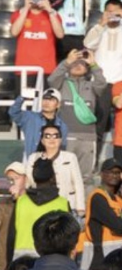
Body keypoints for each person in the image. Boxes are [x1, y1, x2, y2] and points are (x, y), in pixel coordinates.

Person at [49, 49, 106, 180]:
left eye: (82, 63)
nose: (78, 65)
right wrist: (66, 62)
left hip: (88, 138)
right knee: (62, 176)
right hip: (66, 138)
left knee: (85, 178)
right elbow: (52, 80)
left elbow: (102, 84)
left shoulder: (91, 86)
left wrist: (94, 64)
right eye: (74, 63)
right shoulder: (61, 84)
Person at [80, 160, 122, 270]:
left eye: (118, 173)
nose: (115, 175)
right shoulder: (97, 197)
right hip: (99, 260)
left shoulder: (121, 200)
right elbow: (118, 225)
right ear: (102, 174)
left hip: (119, 261)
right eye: (111, 172)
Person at [11, 159, 71, 261]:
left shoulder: (21, 202)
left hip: (21, 258)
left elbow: (11, 235)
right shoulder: (63, 203)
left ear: (33, 177)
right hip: (53, 259)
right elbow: (69, 235)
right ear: (52, 177)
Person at [84, 0, 122, 85]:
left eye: (116, 12)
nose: (112, 15)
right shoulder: (98, 29)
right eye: (109, 12)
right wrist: (101, 24)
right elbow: (88, 44)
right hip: (99, 81)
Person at [27, 126, 84, 220]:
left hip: (67, 203)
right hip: (43, 203)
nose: (52, 139)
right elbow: (29, 181)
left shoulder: (70, 157)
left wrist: (80, 207)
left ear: (60, 140)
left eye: (55, 136)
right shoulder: (34, 158)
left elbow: (78, 183)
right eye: (47, 136)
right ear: (42, 140)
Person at [12, 0, 64, 77]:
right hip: (24, 69)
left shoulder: (53, 14)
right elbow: (14, 32)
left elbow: (60, 35)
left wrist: (49, 9)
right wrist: (26, 8)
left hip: (47, 69)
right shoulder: (19, 13)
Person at [9, 88, 69, 162]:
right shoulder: (30, 118)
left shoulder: (62, 125)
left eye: (51, 100)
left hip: (53, 163)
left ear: (58, 105)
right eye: (45, 99)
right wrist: (22, 98)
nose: (46, 102)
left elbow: (62, 147)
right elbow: (14, 113)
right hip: (32, 162)